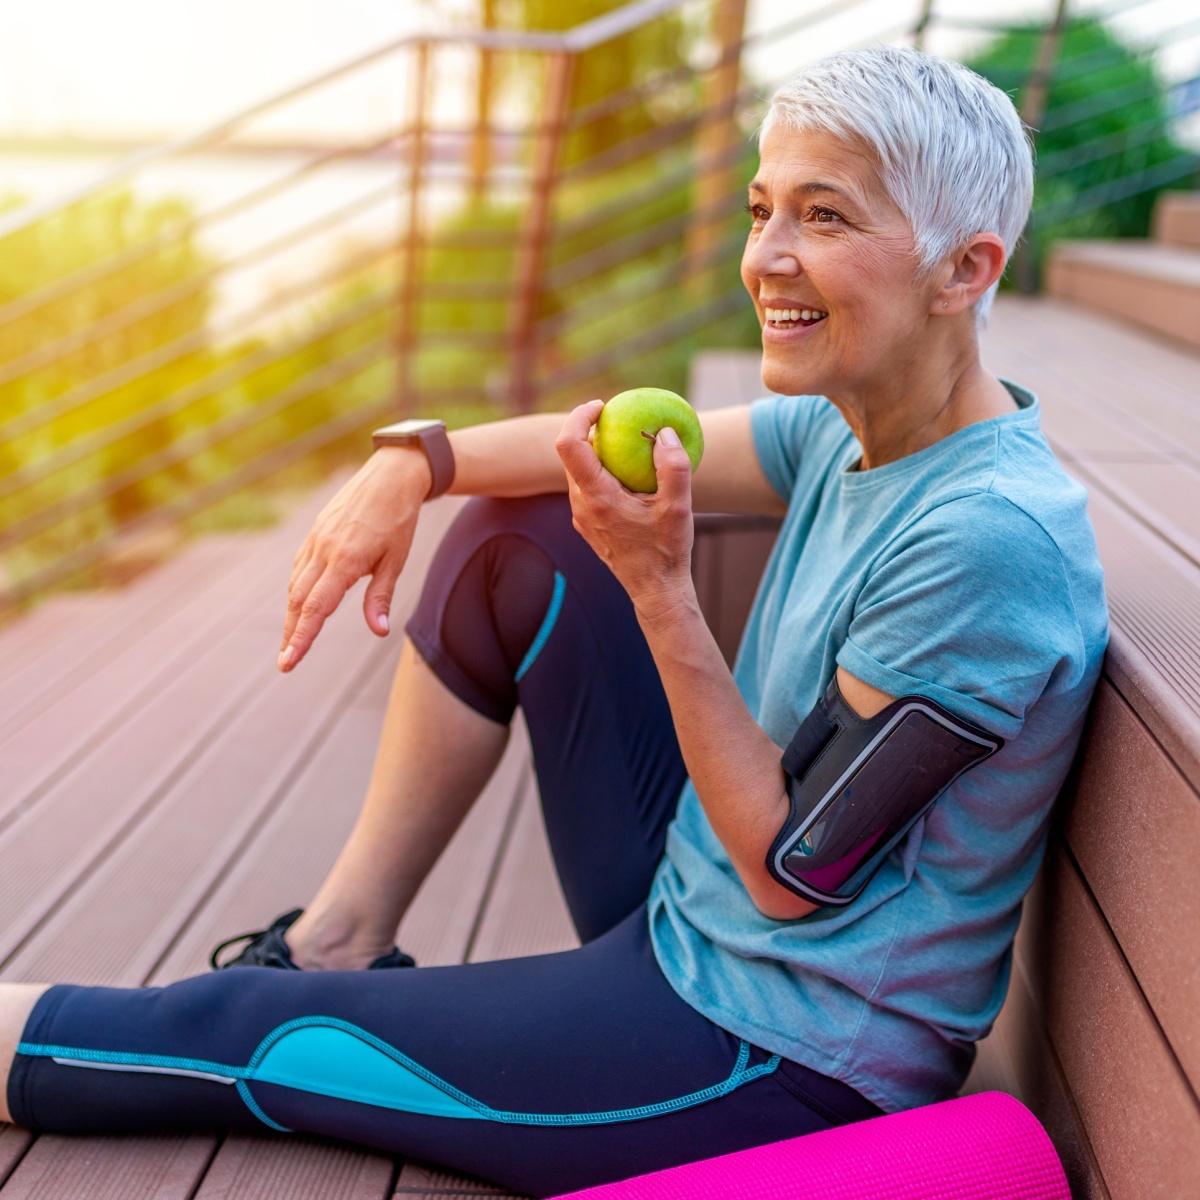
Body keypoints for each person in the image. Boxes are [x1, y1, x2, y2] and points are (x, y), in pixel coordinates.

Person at [0, 46, 1107, 1196]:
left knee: (267, 1035)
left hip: (774, 1058)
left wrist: (661, 591)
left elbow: (791, 873)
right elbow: (566, 450)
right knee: (516, 537)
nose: (765, 257)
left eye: (824, 218)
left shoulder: (987, 543)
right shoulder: (858, 419)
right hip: (689, 913)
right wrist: (416, 462)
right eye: (762, 206)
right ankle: (340, 936)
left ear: (964, 270)